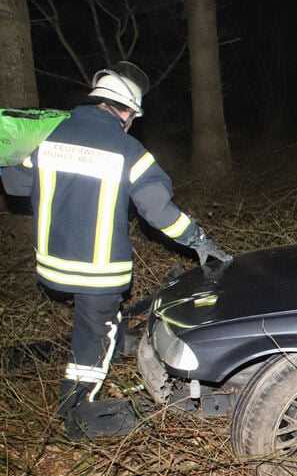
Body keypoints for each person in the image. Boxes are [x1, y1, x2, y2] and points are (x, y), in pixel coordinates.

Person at [1, 61, 232, 439]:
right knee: (95, 333)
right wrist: (197, 238)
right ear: (126, 111)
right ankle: (76, 409)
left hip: (52, 262)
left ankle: (119, 339)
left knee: (101, 319)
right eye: (133, 118)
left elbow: (13, 184)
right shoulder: (128, 150)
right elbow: (159, 211)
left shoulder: (51, 136)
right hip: (97, 271)